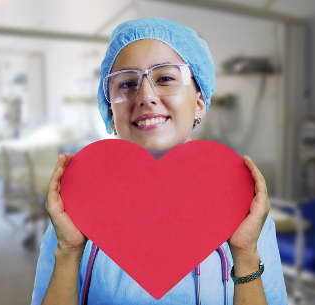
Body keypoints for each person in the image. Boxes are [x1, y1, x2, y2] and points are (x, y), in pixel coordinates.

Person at [30, 17, 288, 305]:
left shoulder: (244, 207)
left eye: (165, 78)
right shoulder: (77, 208)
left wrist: (245, 254)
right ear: (110, 114)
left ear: (199, 102)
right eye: (127, 84)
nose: (146, 96)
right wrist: (68, 251)